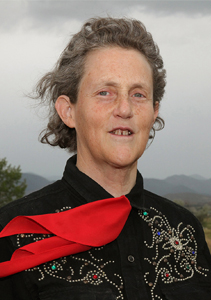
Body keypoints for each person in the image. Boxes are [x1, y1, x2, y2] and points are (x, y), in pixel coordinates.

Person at [0, 17, 210, 300]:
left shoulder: (185, 230)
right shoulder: (15, 232)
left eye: (138, 94)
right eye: (104, 93)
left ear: (154, 111)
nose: (125, 108)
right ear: (68, 111)